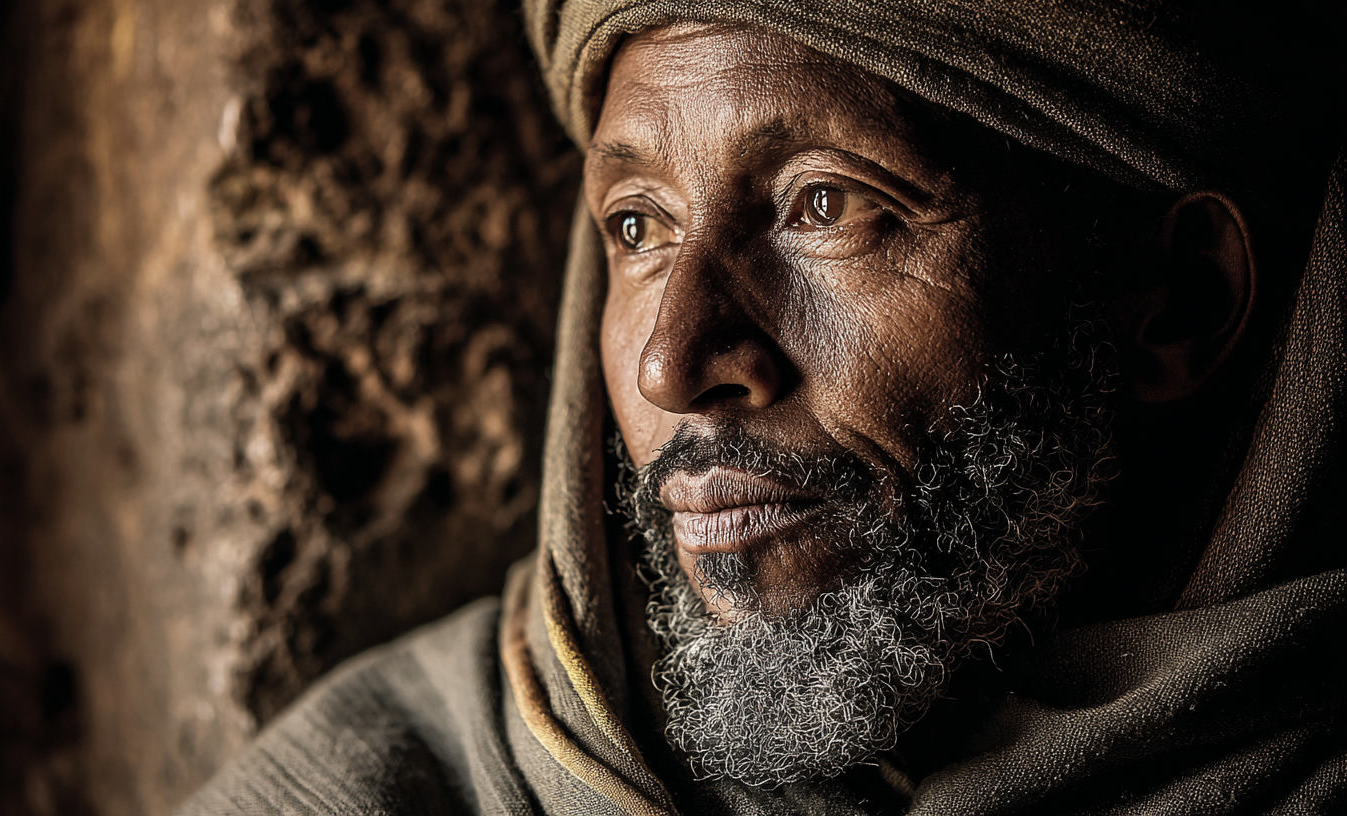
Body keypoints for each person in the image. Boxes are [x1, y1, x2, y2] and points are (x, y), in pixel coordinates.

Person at [179, 1, 1346, 813]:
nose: (672, 365)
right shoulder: (398, 782)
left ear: (1177, 301)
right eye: (638, 225)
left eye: (824, 205)